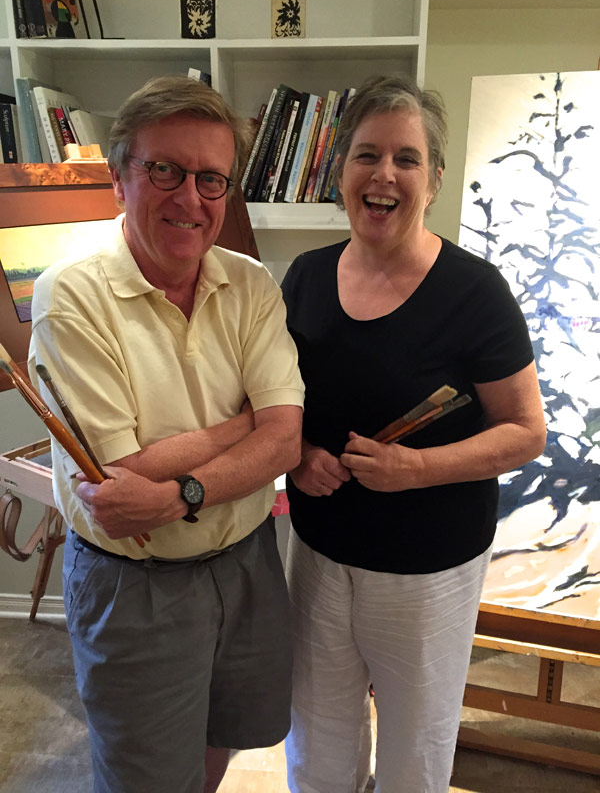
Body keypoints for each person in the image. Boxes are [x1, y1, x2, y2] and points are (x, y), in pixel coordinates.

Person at [28, 75, 304, 793]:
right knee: (144, 779)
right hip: (136, 584)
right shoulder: (71, 294)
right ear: (120, 177)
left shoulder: (251, 285)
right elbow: (125, 473)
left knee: (227, 738)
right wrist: (249, 425)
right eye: (164, 170)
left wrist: (183, 487)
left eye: (211, 178)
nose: (190, 198)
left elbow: (285, 444)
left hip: (247, 564)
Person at [281, 74, 547, 793]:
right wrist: (300, 456)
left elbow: (525, 433)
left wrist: (417, 468)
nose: (384, 174)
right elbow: (279, 409)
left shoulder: (475, 292)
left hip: (428, 571)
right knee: (318, 740)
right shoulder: (303, 279)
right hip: (317, 554)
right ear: (340, 171)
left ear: (432, 179)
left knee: (414, 750)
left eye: (406, 158)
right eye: (367, 154)